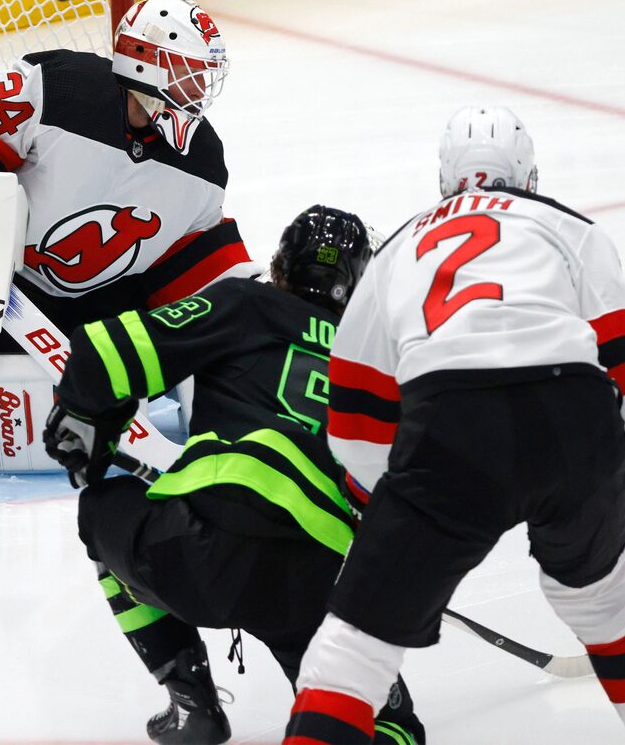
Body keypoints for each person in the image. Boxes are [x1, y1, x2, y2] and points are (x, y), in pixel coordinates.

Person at [285, 107, 625, 745]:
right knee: (604, 595)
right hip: (576, 420)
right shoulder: (571, 226)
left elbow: (357, 431)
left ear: (444, 182)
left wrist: (396, 515)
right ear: (528, 175)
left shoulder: (396, 249)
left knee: (356, 645)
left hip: (451, 427)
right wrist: (579, 464)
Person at [44, 206, 426, 745]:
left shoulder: (248, 303)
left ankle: (191, 704)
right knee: (389, 727)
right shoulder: (381, 362)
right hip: (314, 587)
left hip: (195, 553)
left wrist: (88, 422)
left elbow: (107, 354)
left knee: (103, 508)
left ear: (282, 269)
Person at [0, 0, 257, 350]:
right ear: (144, 61)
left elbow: (195, 261)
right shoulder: (62, 90)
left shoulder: (203, 160)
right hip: (10, 285)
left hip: (102, 304)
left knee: (209, 340)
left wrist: (253, 306)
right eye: (188, 74)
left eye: (203, 77)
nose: (199, 90)